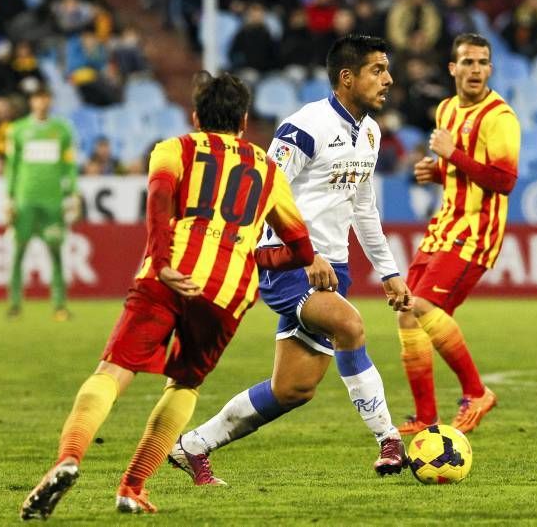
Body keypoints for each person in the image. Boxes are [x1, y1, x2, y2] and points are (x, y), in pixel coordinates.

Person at [19, 72, 314, 520]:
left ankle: (69, 457)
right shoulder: (268, 171)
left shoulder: (173, 149)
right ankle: (132, 487)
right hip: (226, 293)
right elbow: (299, 248)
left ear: (195, 116)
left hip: (166, 275)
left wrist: (161, 262)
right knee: (186, 384)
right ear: (245, 120)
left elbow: (157, 203)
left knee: (113, 370)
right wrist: (251, 261)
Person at [169, 34, 412, 486]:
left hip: (332, 268)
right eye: (377, 70)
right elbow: (263, 194)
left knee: (293, 388)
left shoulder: (372, 133)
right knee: (351, 327)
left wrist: (389, 271)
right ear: (347, 77)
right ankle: (389, 440)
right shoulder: (305, 127)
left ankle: (193, 445)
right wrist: (306, 253)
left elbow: (364, 208)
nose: (388, 79)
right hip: (288, 263)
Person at [395, 33, 521, 435]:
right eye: (468, 62)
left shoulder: (500, 118)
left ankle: (476, 392)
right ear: (453, 69)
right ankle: (426, 416)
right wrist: (437, 171)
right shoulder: (446, 110)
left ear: (490, 69)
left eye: (483, 62)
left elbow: (503, 181)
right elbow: (462, 172)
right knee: (405, 310)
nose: (476, 70)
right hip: (445, 223)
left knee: (425, 305)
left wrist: (452, 156)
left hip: (477, 231)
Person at [4, 85, 78, 320]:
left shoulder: (62, 130)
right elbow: (11, 167)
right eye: (37, 98)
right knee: (18, 251)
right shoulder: (17, 130)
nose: (41, 102)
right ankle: (14, 304)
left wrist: (73, 194)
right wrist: (9, 197)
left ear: (50, 100)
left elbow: (69, 165)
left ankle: (59, 305)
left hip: (52, 200)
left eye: (45, 98)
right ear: (31, 101)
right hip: (25, 199)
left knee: (55, 251)